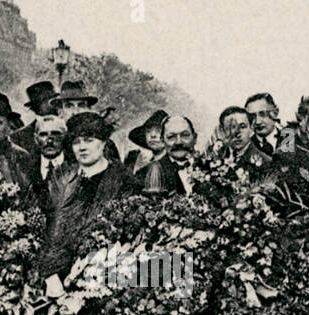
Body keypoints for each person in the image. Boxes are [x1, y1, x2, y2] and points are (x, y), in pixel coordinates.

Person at [39, 112, 137, 277]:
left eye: (89, 140)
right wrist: (51, 275)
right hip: (58, 272)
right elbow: (50, 231)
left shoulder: (124, 180)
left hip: (108, 271)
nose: (82, 147)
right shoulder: (59, 178)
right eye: (76, 142)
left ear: (104, 143)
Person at [136, 115, 198, 195]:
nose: (178, 142)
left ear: (195, 138)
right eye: (171, 137)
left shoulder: (212, 166)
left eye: (185, 135)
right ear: (162, 141)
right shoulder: (144, 175)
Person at [218, 105, 272, 180]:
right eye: (230, 128)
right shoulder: (215, 158)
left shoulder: (266, 163)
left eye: (242, 127)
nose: (237, 133)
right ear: (222, 131)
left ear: (252, 128)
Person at [10, 81, 60, 154]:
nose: (52, 104)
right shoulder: (18, 137)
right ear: (34, 106)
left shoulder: (68, 128)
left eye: (54, 99)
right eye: (45, 100)